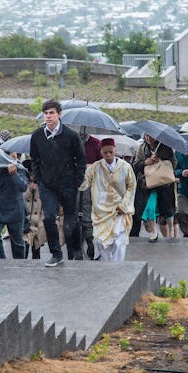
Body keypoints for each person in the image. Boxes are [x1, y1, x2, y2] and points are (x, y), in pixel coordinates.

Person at [30, 99, 86, 267]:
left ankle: (76, 250)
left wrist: (76, 181)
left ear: (59, 114)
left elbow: (81, 160)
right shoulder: (37, 136)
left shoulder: (71, 135)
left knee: (70, 221)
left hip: (68, 183)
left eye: (51, 113)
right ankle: (56, 254)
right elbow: (35, 159)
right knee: (48, 217)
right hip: (47, 184)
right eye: (46, 113)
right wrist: (39, 179)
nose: (48, 116)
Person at [79, 138, 136, 261]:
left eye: (111, 151)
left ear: (115, 150)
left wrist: (124, 205)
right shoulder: (95, 167)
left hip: (119, 209)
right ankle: (107, 265)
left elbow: (131, 186)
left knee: (119, 239)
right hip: (101, 211)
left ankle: (117, 266)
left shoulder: (126, 167)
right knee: (101, 241)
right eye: (105, 152)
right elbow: (83, 184)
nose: (108, 155)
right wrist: (77, 171)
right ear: (101, 153)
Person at [131, 134, 177, 241]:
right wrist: (146, 162)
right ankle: (154, 232)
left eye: (151, 136)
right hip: (147, 183)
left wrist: (160, 160)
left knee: (167, 212)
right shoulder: (142, 148)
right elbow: (136, 165)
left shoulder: (166, 148)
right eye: (146, 135)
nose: (148, 138)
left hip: (163, 184)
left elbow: (173, 164)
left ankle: (171, 233)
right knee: (149, 208)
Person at [0, 159, 29, 259]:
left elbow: (23, 187)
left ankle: (19, 265)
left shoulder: (18, 167)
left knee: (18, 243)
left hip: (15, 210)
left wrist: (14, 174)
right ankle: (1, 260)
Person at [75, 128, 102, 259]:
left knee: (87, 215)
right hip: (75, 182)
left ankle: (91, 244)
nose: (81, 131)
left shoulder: (96, 143)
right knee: (75, 215)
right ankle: (77, 249)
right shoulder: (72, 142)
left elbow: (102, 164)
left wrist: (92, 166)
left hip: (91, 184)